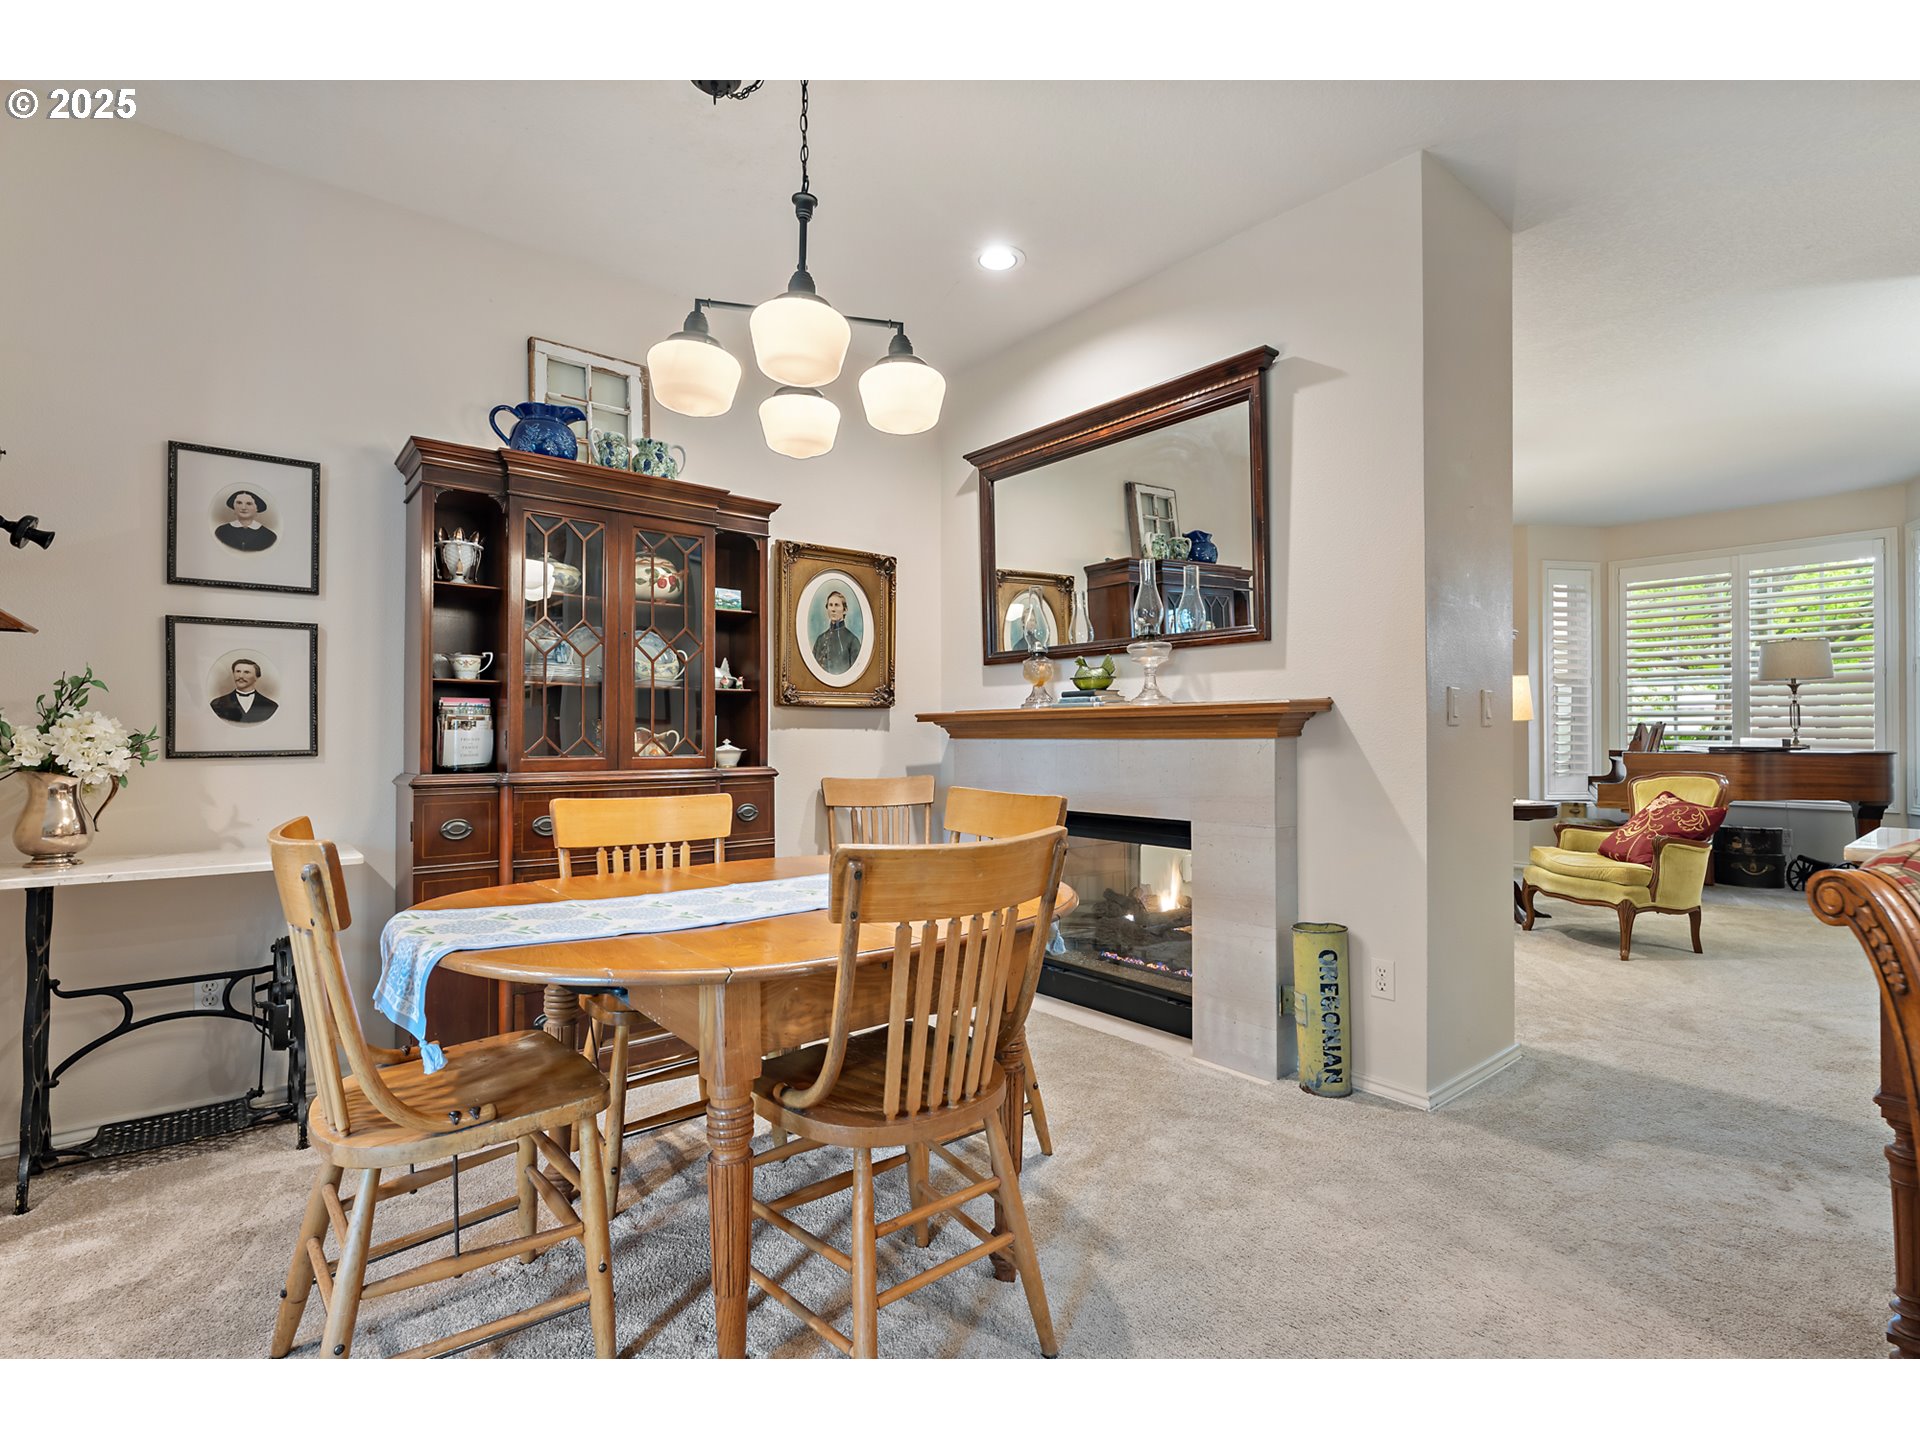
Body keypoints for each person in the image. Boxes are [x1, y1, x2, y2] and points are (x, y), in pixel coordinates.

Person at [209, 658, 279, 724]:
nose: (241, 676)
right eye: (238, 671)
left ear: (256, 677)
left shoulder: (271, 706)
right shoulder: (217, 704)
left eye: (247, 672)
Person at [810, 588, 861, 674]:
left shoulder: (852, 640)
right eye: (830, 605)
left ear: (845, 610)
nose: (833, 609)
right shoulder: (820, 640)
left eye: (837, 605)